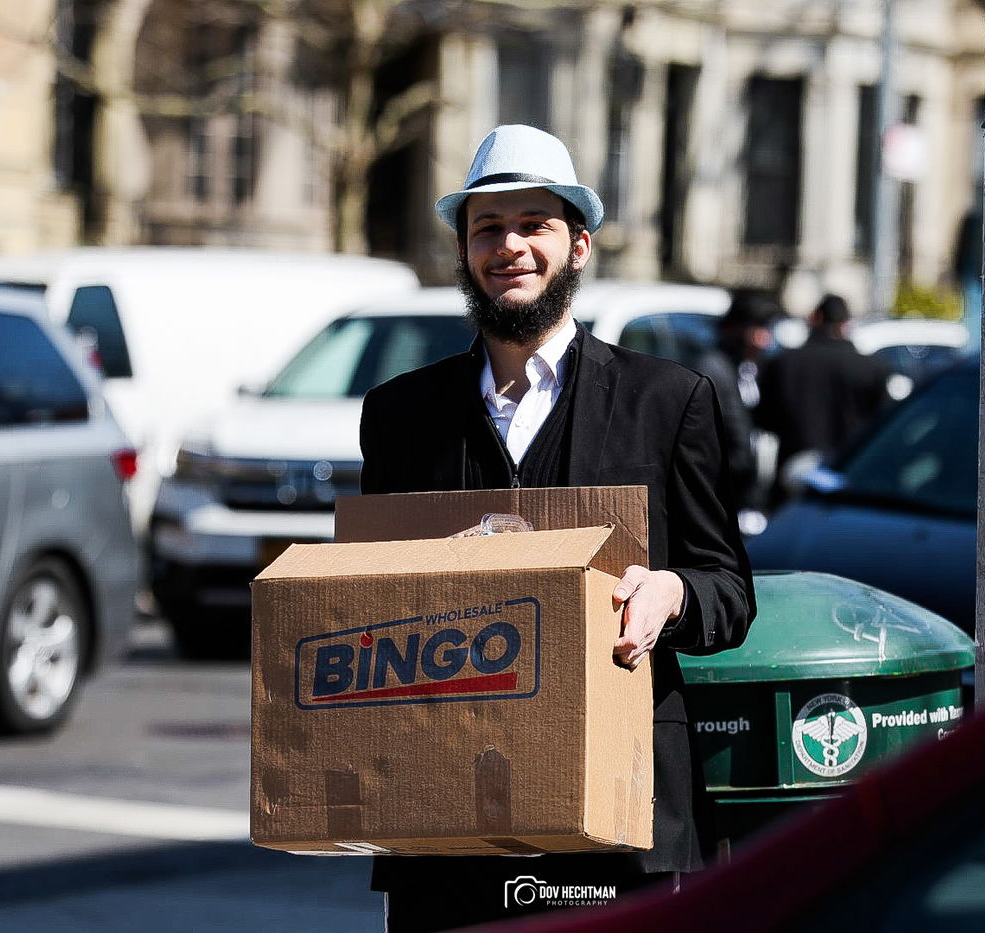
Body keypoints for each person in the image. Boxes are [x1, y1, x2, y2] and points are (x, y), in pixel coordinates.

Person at [359, 124, 756, 932]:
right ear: (464, 249)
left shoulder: (667, 401)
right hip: (445, 810)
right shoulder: (400, 415)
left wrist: (671, 592)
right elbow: (368, 605)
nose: (509, 246)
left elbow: (730, 590)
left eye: (533, 224)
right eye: (486, 228)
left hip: (613, 811)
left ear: (578, 245)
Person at [755, 293, 891, 504]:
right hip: (847, 477)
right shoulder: (872, 368)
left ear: (815, 318)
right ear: (846, 324)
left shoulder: (782, 363)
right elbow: (882, 426)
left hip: (791, 477)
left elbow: (764, 419)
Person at [691, 288, 782, 511]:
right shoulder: (713, 368)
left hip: (745, 489)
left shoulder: (750, 366)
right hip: (724, 490)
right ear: (736, 327)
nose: (764, 340)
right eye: (758, 329)